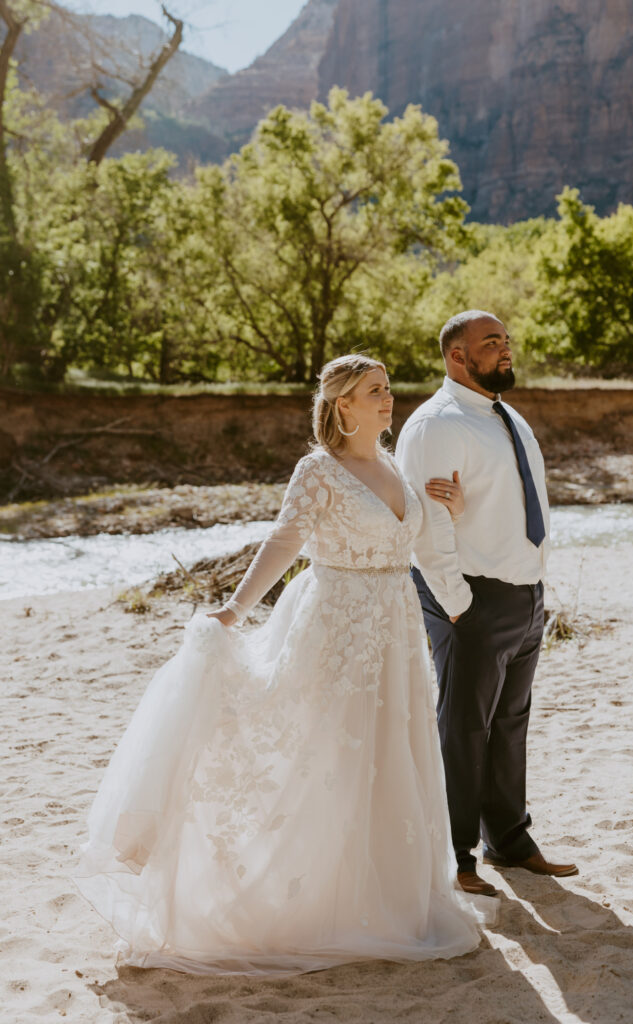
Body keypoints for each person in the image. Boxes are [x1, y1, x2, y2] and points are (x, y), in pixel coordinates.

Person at [74, 354, 496, 976]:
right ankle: (309, 900)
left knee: (392, 756)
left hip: (397, 628)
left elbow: (415, 539)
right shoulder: (318, 470)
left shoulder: (396, 467)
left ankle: (384, 900)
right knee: (331, 756)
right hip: (338, 624)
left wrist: (451, 526)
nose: (388, 399)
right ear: (343, 404)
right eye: (375, 392)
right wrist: (235, 610)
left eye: (387, 390)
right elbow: (284, 539)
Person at [396, 310, 578, 899]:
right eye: (491, 342)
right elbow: (426, 528)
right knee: (464, 728)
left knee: (509, 722)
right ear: (457, 355)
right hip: (470, 596)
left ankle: (510, 840)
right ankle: (456, 855)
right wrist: (456, 604)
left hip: (524, 596)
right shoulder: (435, 426)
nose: (505, 350)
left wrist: (536, 588)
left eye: (506, 340)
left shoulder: (506, 416)